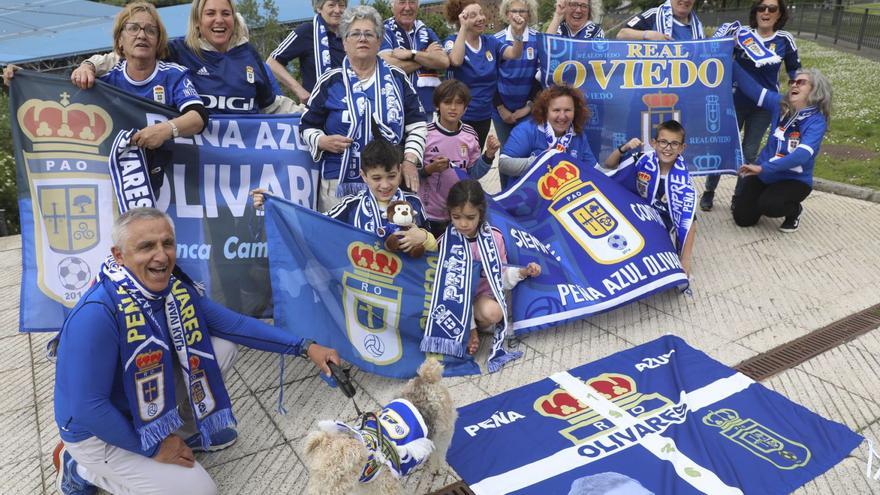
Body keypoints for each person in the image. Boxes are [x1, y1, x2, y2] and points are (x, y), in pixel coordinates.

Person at [51, 208, 339, 495]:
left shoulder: (173, 289)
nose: (162, 256)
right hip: (96, 432)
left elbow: (234, 325)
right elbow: (87, 407)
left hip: (141, 401)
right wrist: (154, 446)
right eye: (147, 247)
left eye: (167, 243)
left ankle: (187, 432)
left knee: (222, 347)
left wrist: (305, 347)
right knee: (200, 491)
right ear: (119, 256)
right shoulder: (96, 312)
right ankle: (79, 467)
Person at [3, 3, 209, 149]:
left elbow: (198, 117)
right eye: (133, 28)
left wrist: (166, 130)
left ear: (158, 41)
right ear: (120, 41)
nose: (141, 35)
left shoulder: (173, 75)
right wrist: (23, 78)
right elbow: (56, 96)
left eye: (150, 30)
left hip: (167, 175)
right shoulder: (107, 78)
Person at [300, 5, 428, 212]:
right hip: (339, 181)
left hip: (389, 181)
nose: (362, 39)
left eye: (369, 34)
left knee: (389, 240)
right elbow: (306, 126)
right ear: (344, 42)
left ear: (378, 41)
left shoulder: (397, 79)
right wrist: (322, 140)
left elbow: (418, 125)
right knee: (340, 241)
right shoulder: (330, 82)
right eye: (355, 33)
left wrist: (410, 160)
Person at [71, 0, 296, 115]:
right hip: (190, 168)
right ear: (197, 21)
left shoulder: (248, 54)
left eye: (225, 13)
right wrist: (89, 65)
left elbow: (271, 105)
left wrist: (309, 114)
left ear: (234, 20)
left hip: (243, 165)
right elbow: (128, 55)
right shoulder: (180, 50)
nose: (219, 20)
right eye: (210, 13)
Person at [253, 138, 437, 254]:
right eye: (376, 178)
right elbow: (312, 222)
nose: (385, 185)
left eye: (392, 176)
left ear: (400, 171)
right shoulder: (351, 205)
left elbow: (434, 245)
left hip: (404, 292)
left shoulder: (413, 203)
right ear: (363, 176)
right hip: (361, 291)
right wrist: (273, 203)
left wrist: (423, 237)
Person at [700, 0, 800, 211]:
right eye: (762, 8)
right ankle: (709, 191)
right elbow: (716, 56)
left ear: (779, 14)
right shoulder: (740, 34)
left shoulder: (784, 39)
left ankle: (739, 195)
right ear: (755, 12)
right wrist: (728, 46)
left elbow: (795, 72)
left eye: (772, 9)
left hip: (763, 107)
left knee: (749, 153)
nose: (766, 12)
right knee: (724, 146)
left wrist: (795, 97)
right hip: (733, 102)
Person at [440, 179, 540, 355]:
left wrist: (524, 272)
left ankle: (475, 327)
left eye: (470, 217)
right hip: (453, 302)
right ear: (449, 214)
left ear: (481, 213)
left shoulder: (494, 238)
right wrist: (470, 329)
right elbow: (446, 292)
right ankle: (469, 329)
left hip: (481, 298)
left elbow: (500, 277)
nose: (463, 224)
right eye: (456, 217)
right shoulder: (444, 243)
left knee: (493, 313)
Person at [731, 65, 831, 232]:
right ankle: (766, 197)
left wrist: (763, 168)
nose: (794, 85)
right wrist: (729, 56)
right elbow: (752, 89)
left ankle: (794, 211)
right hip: (765, 174)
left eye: (801, 82)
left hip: (794, 180)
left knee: (770, 206)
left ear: (815, 90)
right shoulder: (780, 105)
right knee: (742, 219)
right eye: (792, 81)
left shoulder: (816, 121)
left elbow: (801, 156)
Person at [604, 120, 697, 275]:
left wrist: (685, 260)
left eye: (674, 144)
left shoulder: (683, 182)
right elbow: (609, 165)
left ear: (682, 148)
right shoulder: (642, 160)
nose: (668, 148)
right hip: (638, 215)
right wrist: (624, 148)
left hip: (663, 226)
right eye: (663, 142)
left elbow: (690, 222)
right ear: (654, 143)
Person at [444, 0, 527, 148]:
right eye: (473, 15)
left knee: (475, 160)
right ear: (461, 19)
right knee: (458, 163)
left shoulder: (490, 42)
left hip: (483, 116)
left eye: (481, 13)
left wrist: (519, 34)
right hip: (458, 117)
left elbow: (514, 53)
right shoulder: (451, 42)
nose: (481, 18)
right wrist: (463, 27)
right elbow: (456, 60)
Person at [420, 80, 498, 237]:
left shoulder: (469, 135)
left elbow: (473, 174)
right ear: (437, 105)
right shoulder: (424, 134)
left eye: (459, 103)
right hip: (429, 213)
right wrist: (430, 169)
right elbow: (410, 175)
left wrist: (488, 155)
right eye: (447, 102)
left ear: (465, 107)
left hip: (459, 216)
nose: (453, 108)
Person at [499, 84, 599, 187]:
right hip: (530, 196)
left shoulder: (578, 135)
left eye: (567, 110)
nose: (562, 116)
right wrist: (542, 161)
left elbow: (596, 171)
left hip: (564, 196)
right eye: (556, 110)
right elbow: (503, 163)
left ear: (575, 111)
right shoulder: (527, 130)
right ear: (545, 111)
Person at [379, 0, 451, 114]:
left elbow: (444, 61)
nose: (407, 8)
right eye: (402, 2)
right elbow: (387, 65)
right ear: (392, 7)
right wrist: (426, 56)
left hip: (428, 107)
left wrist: (411, 54)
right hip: (396, 108)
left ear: (417, 6)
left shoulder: (427, 31)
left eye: (412, 2)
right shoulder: (384, 30)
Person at [267, 0, 347, 103]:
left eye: (341, 5)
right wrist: (299, 90)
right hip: (317, 109)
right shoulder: (307, 31)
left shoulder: (352, 34)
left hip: (349, 107)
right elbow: (272, 62)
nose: (337, 10)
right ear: (319, 8)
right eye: (331, 5)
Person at [493, 0, 542, 145]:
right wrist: (501, 108)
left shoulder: (538, 39)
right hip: (501, 111)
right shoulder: (496, 40)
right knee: (507, 153)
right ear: (507, 14)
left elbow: (540, 77)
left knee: (526, 150)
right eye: (513, 11)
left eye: (522, 11)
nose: (517, 15)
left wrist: (528, 107)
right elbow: (491, 78)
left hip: (528, 110)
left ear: (530, 14)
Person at [617, 0, 704, 41]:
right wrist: (647, 35)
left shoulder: (698, 27)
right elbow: (621, 34)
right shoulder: (653, 15)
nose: (686, 0)